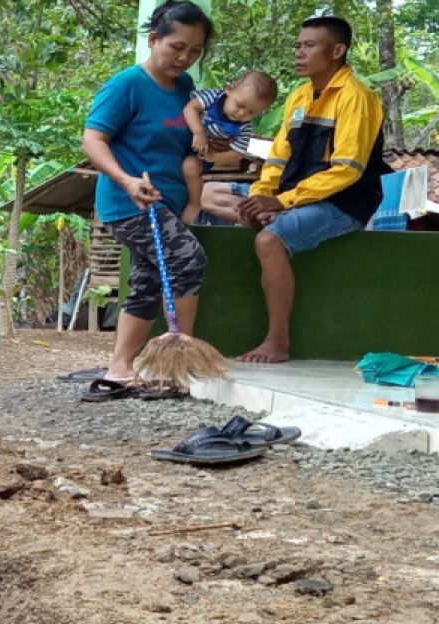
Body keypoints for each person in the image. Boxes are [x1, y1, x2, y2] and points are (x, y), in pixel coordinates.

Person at [199, 16, 384, 364]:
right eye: (298, 45)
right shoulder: (299, 95)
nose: (299, 52)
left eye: (309, 45)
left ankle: (277, 341)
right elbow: (278, 157)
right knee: (210, 195)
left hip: (345, 203)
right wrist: (261, 193)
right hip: (290, 201)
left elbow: (347, 170)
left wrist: (281, 202)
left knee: (269, 240)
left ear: (338, 51)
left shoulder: (357, 98)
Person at [80, 0, 214, 399]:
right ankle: (180, 357)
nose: (185, 57)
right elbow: (93, 139)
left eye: (195, 51)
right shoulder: (126, 85)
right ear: (154, 39)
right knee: (188, 260)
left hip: (167, 204)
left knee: (148, 281)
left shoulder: (187, 88)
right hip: (130, 204)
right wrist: (125, 181)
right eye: (177, 47)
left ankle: (120, 367)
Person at [180, 70, 279, 224]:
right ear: (229, 89)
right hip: (187, 138)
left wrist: (212, 157)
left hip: (201, 154)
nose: (241, 114)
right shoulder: (214, 97)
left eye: (251, 112)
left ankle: (194, 204)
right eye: (239, 105)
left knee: (190, 167)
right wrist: (198, 132)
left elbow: (237, 154)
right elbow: (190, 108)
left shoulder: (244, 128)